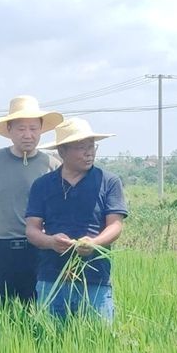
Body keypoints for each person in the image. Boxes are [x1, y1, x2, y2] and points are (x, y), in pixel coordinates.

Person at [0, 95, 62, 311]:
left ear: (41, 130)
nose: (28, 135)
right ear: (9, 130)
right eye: (21, 129)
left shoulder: (52, 165)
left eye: (33, 128)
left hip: (39, 251)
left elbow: (60, 213)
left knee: (37, 314)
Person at [25, 118, 128, 321]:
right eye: (81, 147)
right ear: (62, 152)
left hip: (95, 278)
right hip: (52, 278)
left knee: (97, 341)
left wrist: (94, 243)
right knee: (50, 340)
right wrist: (51, 242)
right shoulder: (42, 185)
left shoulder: (109, 182)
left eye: (91, 146)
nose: (89, 152)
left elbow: (115, 225)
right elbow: (32, 230)